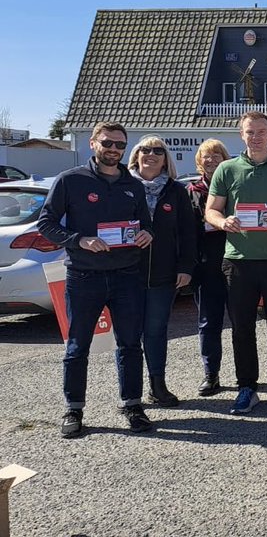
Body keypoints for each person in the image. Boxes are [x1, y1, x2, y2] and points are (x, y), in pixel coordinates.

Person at [39, 122, 155, 437]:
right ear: (93, 143)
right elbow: (46, 223)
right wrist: (80, 240)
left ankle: (132, 405)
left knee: (130, 344)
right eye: (108, 143)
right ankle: (73, 410)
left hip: (126, 275)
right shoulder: (70, 180)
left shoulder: (132, 184)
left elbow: (145, 223)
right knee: (78, 346)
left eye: (120, 145)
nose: (114, 150)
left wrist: (146, 233)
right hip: (84, 276)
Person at [205, 111, 267, 414]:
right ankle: (246, 387)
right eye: (250, 132)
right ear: (242, 135)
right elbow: (211, 210)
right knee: (242, 328)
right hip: (239, 260)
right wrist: (224, 222)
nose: (256, 137)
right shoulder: (227, 168)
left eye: (261, 131)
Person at [128, 135, 196, 408]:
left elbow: (188, 233)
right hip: (126, 273)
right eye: (145, 149)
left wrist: (186, 267)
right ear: (136, 155)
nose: (152, 155)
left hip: (163, 274)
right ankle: (130, 392)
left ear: (165, 158)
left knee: (155, 331)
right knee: (129, 335)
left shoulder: (176, 190)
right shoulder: (122, 187)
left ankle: (158, 385)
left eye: (158, 151)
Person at [188, 139, 231, 396]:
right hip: (206, 265)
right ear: (199, 160)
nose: (212, 160)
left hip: (237, 262)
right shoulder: (191, 191)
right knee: (209, 322)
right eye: (207, 156)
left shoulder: (236, 187)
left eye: (217, 155)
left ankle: (245, 376)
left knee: (242, 322)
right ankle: (211, 373)